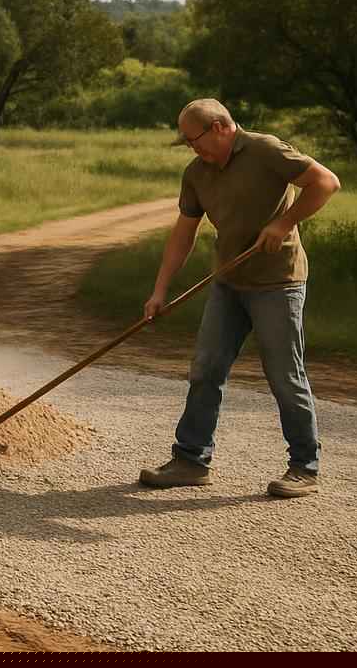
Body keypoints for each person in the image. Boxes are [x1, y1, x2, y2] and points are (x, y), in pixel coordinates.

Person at [139, 99, 341, 499]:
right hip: (228, 282)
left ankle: (304, 466)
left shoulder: (266, 150)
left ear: (219, 127)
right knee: (205, 368)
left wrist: (284, 223)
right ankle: (191, 460)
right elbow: (183, 234)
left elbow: (326, 182)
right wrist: (160, 289)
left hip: (277, 283)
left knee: (284, 375)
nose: (192, 149)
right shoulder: (197, 173)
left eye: (194, 140)